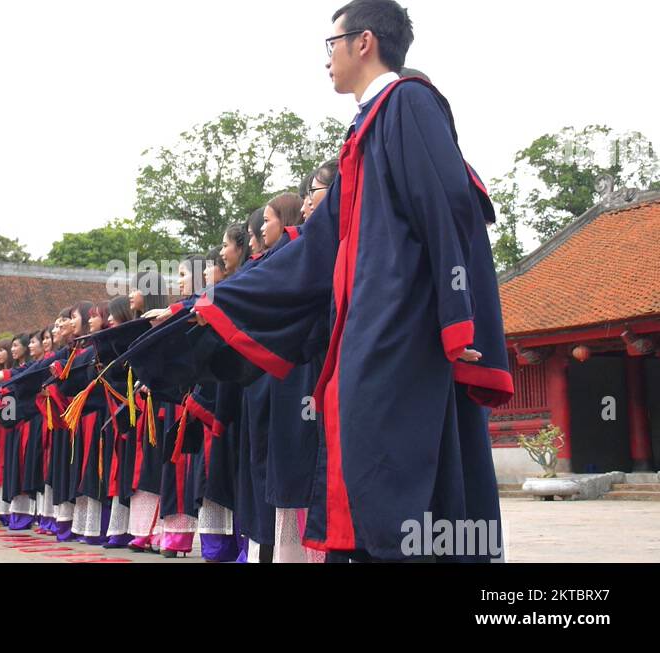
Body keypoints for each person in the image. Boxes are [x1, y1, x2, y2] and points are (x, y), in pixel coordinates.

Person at [193, 0, 512, 562]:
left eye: (330, 44)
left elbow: (449, 208)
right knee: (365, 481)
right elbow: (316, 250)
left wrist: (456, 316)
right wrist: (220, 302)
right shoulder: (364, 131)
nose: (327, 59)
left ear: (364, 42)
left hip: (402, 337)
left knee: (402, 485)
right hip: (363, 337)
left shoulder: (408, 103)